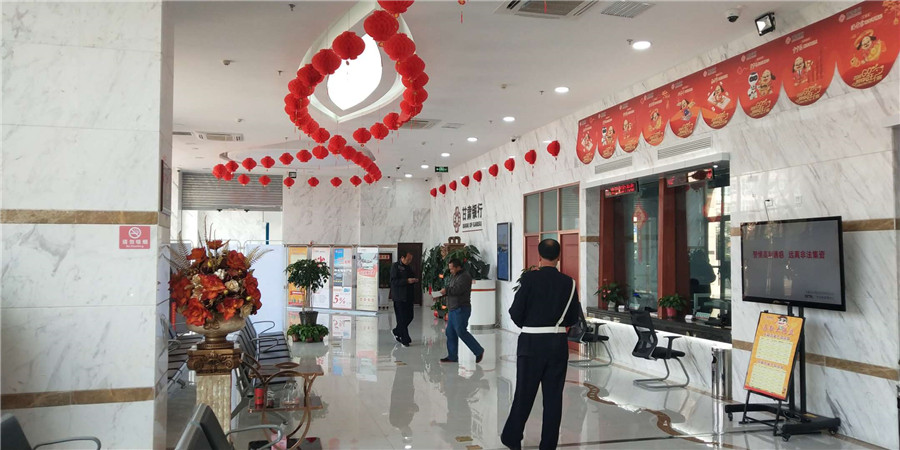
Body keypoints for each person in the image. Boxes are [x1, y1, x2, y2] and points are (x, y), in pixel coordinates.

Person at [501, 239, 580, 450]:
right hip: (557, 343)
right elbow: (573, 317)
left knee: (524, 393)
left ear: (539, 256)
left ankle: (512, 436)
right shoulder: (569, 283)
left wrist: (529, 325)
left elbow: (515, 312)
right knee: (554, 398)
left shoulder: (529, 279)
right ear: (559, 257)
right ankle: (548, 444)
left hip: (531, 343)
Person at [439, 258, 485, 363]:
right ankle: (452, 356)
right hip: (452, 309)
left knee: (461, 331)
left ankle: (478, 351)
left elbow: (457, 290)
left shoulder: (465, 277)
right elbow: (450, 288)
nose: (450, 271)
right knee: (450, 332)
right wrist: (441, 294)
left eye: (452, 269)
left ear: (458, 267)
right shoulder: (454, 276)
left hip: (461, 309)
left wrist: (446, 291)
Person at [390, 251, 418, 346]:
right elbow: (394, 281)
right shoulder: (395, 266)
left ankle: (397, 331)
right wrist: (406, 281)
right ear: (402, 257)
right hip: (399, 297)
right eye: (408, 259)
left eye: (411, 260)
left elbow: (411, 277)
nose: (409, 261)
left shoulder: (409, 267)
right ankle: (405, 339)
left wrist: (414, 280)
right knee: (401, 318)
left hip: (408, 296)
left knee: (410, 316)